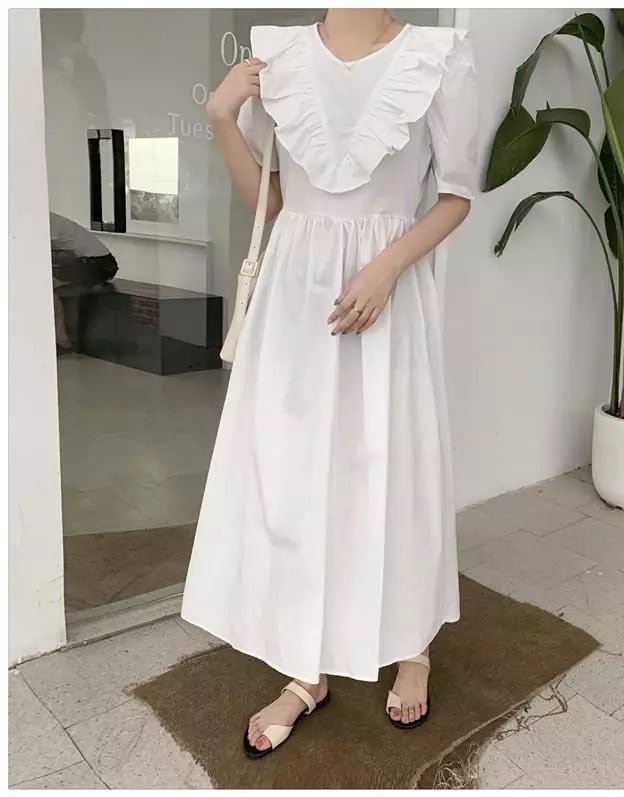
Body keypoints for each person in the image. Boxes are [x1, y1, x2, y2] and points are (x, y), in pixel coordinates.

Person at [180, 8, 478, 757]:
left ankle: (412, 646)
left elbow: (456, 196)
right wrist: (220, 118)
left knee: (391, 471)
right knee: (295, 479)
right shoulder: (279, 55)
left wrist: (386, 268)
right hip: (295, 302)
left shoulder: (437, 56)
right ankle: (305, 668)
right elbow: (273, 205)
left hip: (386, 297)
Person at [49, 211, 118, 352]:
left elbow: (38, 252)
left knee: (45, 288)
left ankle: (62, 340)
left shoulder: (42, 220)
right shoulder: (40, 217)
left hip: (98, 265)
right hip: (91, 262)